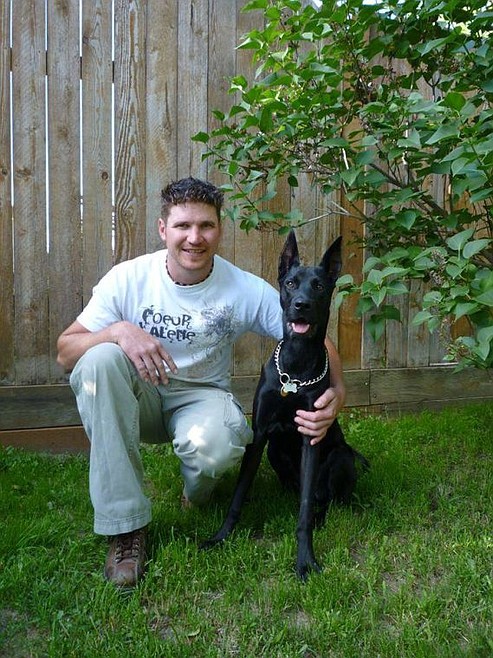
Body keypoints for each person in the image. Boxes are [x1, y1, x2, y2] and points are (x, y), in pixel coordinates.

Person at [57, 177, 346, 588]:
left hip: (200, 399)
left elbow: (311, 333)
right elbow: (66, 351)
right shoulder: (127, 279)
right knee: (97, 361)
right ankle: (126, 527)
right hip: (136, 395)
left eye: (206, 226)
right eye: (183, 225)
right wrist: (117, 332)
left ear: (219, 230)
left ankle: (196, 493)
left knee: (219, 445)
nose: (195, 237)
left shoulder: (242, 287)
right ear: (163, 230)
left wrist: (338, 391)